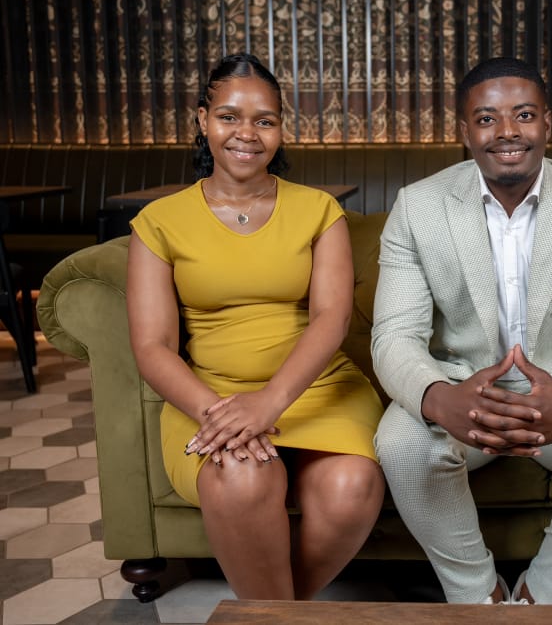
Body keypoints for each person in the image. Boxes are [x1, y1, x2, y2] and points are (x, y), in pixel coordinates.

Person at [372, 56, 552, 605]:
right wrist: (438, 399)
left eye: (524, 114)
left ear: (547, 123)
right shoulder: (417, 207)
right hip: (462, 390)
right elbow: (394, 336)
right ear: (465, 132)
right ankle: (477, 598)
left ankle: (540, 596)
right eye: (487, 119)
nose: (507, 131)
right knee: (402, 443)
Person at [126, 53, 385, 600]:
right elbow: (152, 346)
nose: (247, 134)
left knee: (351, 487)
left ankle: (271, 613)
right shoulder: (158, 222)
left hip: (318, 389)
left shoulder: (319, 210)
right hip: (212, 395)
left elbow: (332, 318)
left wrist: (268, 404)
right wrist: (219, 414)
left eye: (264, 121)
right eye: (229, 116)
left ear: (281, 129)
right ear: (203, 120)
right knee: (241, 476)